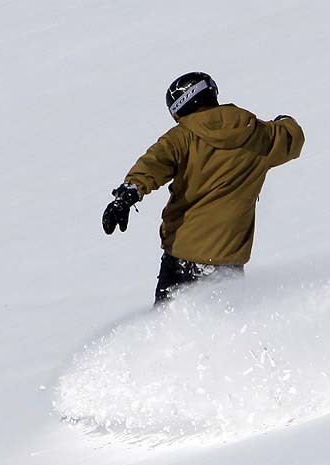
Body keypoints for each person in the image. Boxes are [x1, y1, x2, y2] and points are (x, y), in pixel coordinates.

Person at [102, 72, 305, 304]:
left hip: (182, 256)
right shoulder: (258, 134)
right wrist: (284, 121)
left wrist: (128, 194)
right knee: (228, 326)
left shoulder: (183, 137)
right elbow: (293, 137)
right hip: (229, 258)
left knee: (168, 326)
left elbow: (154, 163)